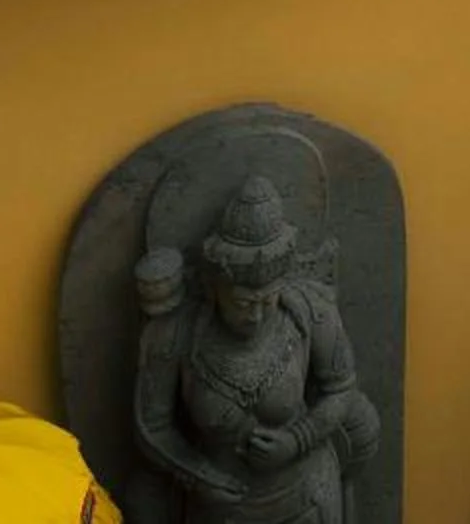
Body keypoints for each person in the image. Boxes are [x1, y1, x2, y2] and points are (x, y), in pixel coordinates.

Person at [132, 182, 378, 524]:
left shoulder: (310, 312)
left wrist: (297, 440)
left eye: (268, 300)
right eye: (243, 303)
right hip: (221, 503)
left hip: (305, 495)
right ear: (215, 288)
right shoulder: (176, 336)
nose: (257, 316)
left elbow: (341, 388)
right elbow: (152, 427)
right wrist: (197, 476)